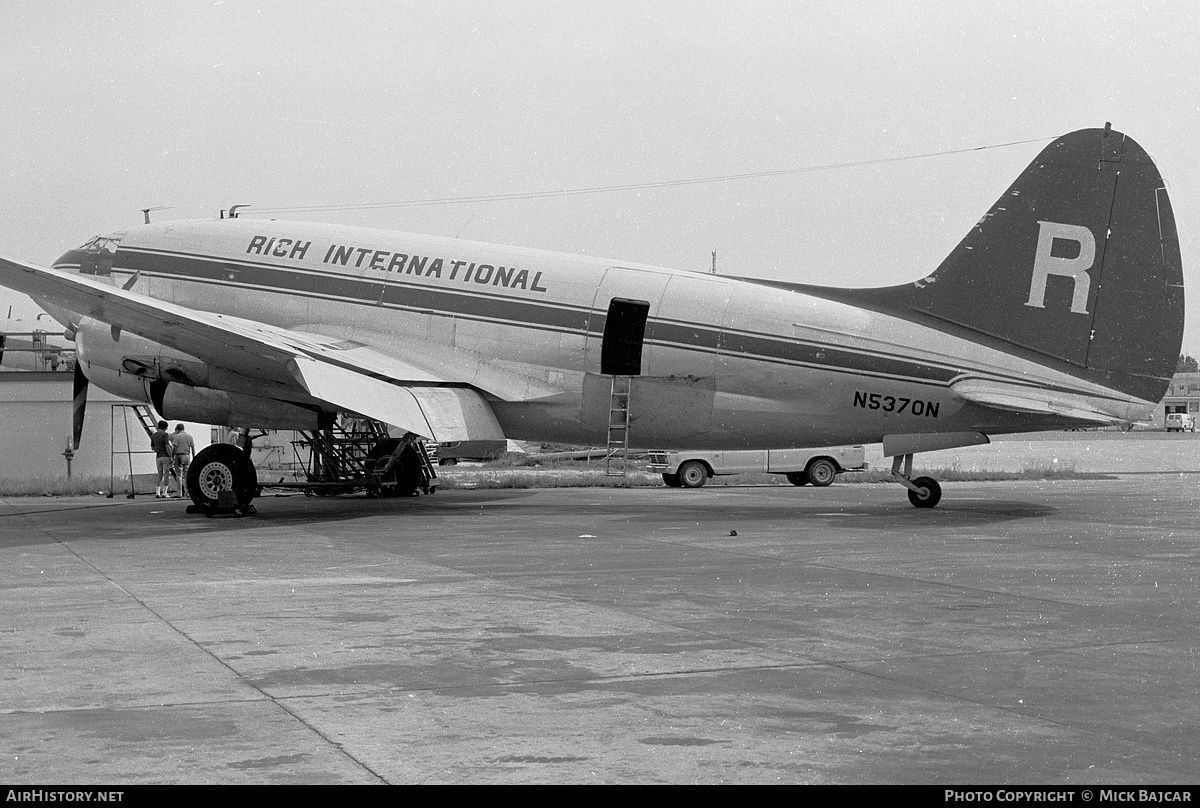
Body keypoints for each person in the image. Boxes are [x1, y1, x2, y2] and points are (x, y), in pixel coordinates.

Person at [150, 420, 173, 499]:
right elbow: (167, 446)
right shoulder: (165, 434)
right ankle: (164, 493)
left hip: (158, 457)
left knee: (160, 474)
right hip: (165, 456)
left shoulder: (153, 435)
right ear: (165, 427)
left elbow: (152, 447)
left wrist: (158, 450)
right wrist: (171, 456)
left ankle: (157, 492)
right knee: (166, 474)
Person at [170, 423, 194, 497]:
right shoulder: (190, 436)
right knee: (186, 475)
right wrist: (194, 456)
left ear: (177, 429)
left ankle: (179, 493)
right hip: (187, 455)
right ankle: (187, 492)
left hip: (179, 456)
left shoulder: (177, 436)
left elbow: (175, 448)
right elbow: (192, 448)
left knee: (179, 475)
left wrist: (172, 457)